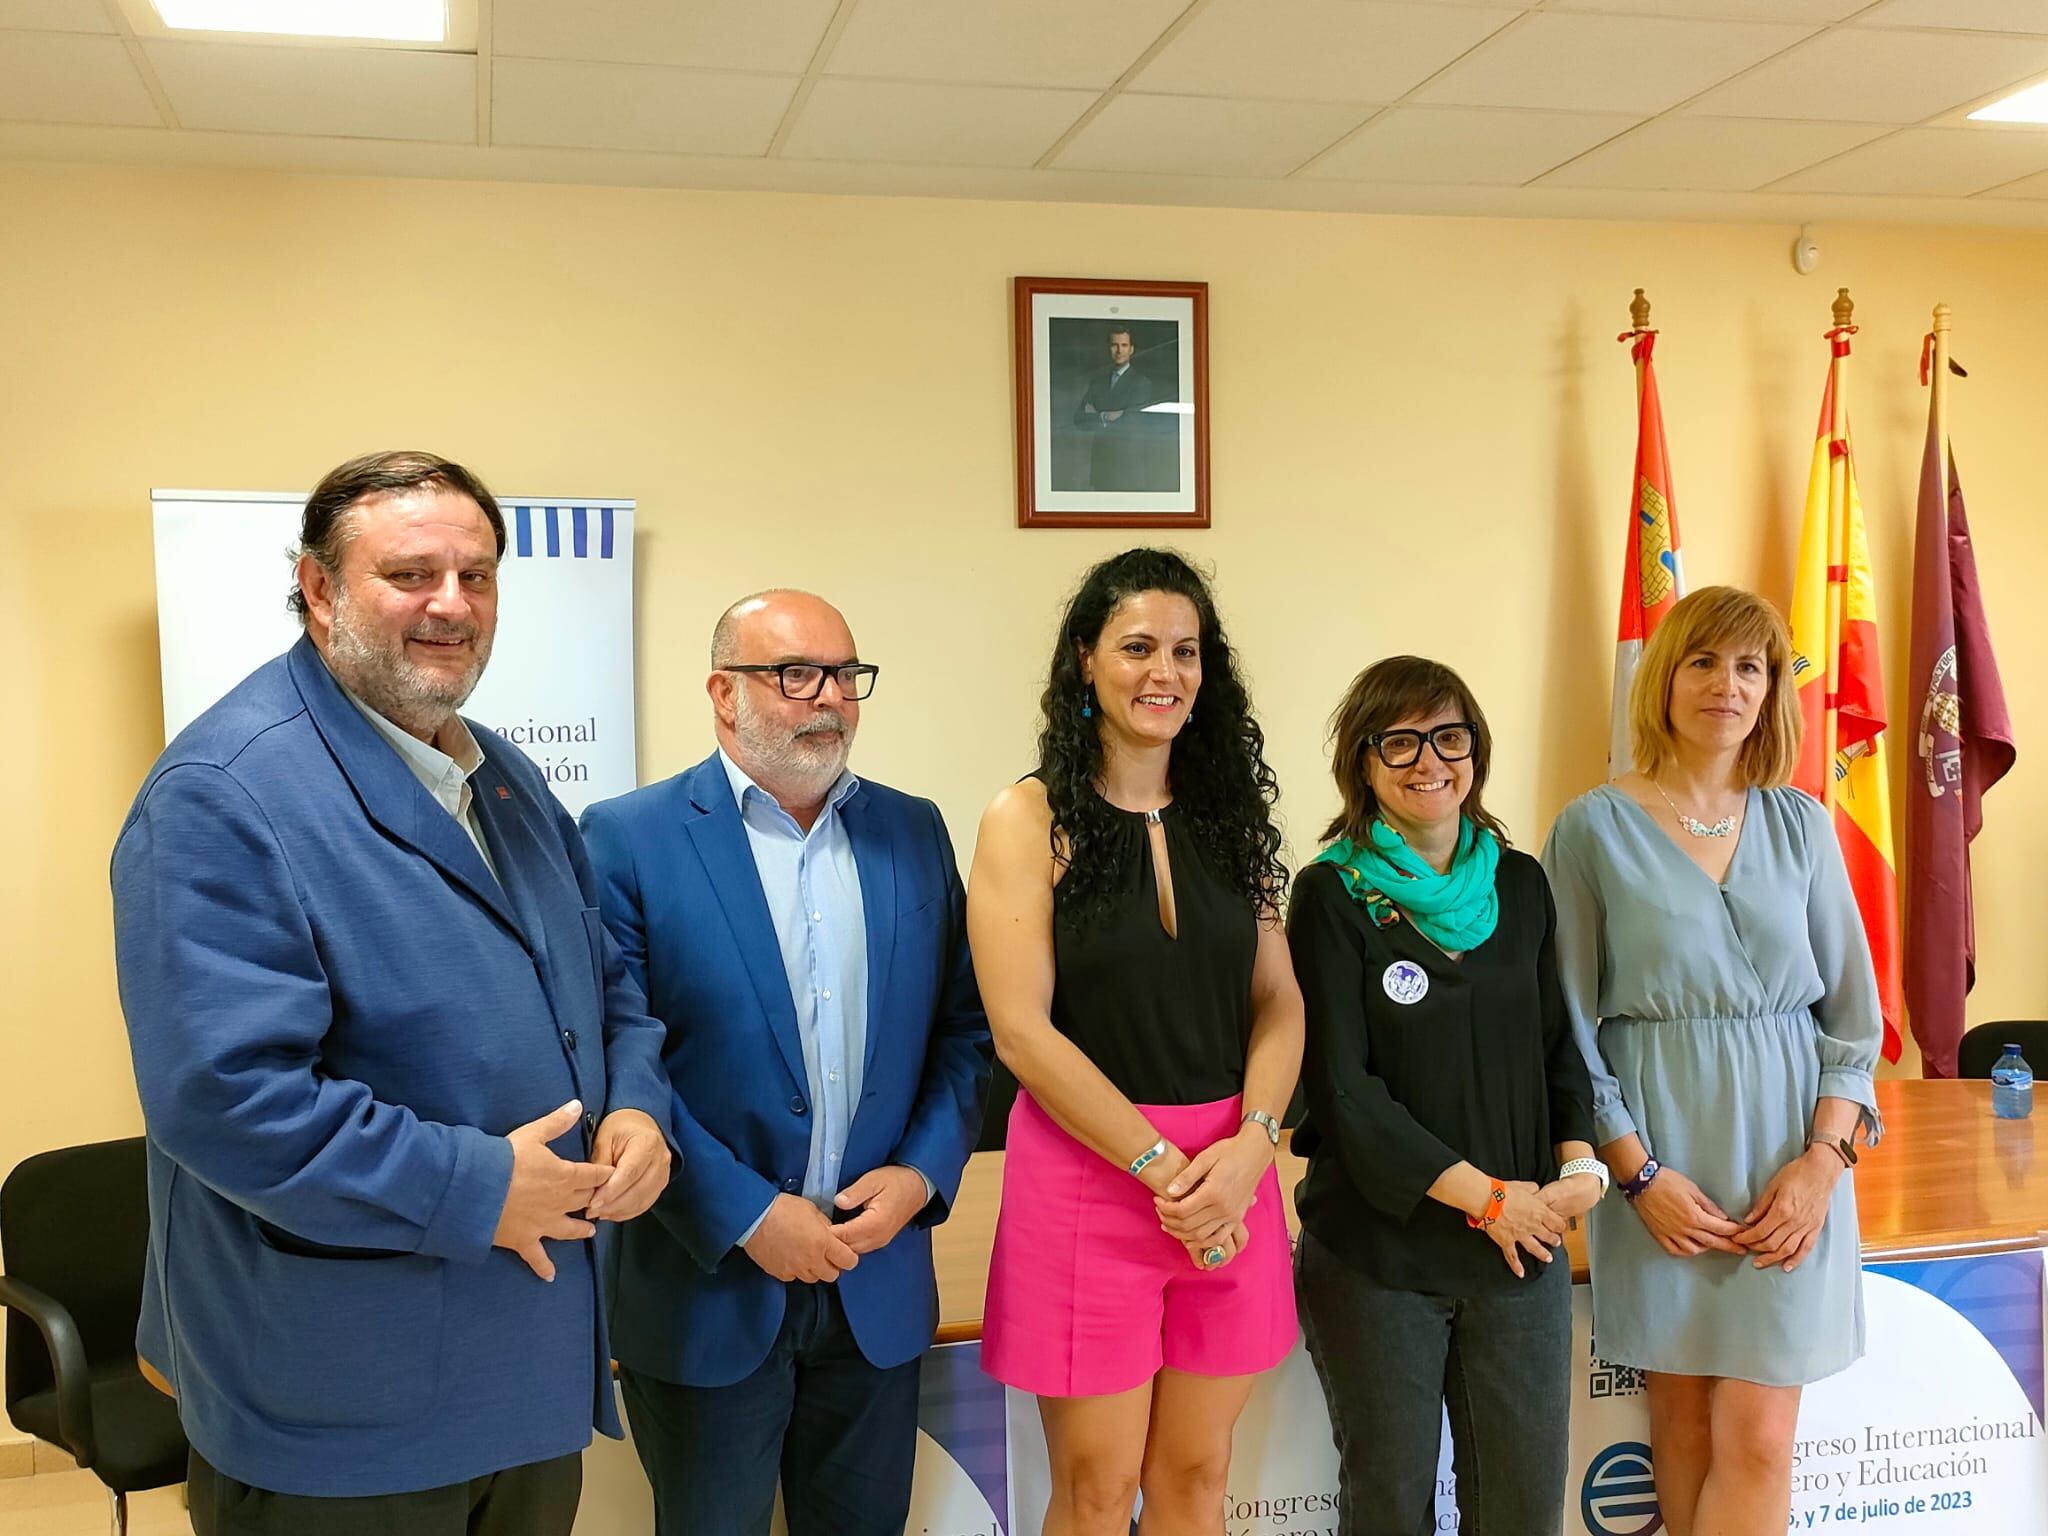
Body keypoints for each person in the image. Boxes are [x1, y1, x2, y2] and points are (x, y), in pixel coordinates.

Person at [111, 450, 674, 1535]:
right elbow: (228, 1102)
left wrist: (639, 1106)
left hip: (523, 1373)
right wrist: (474, 1186)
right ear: (319, 591)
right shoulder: (222, 795)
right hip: (343, 1408)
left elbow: (604, 984)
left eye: (477, 576)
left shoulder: (499, 776)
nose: (451, 606)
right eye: (410, 574)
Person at [578, 590, 990, 1536]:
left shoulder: (911, 829)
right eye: (797, 674)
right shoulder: (627, 837)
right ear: (724, 694)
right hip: (705, 1285)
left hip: (873, 1283)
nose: (831, 699)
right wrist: (749, 1213)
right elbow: (614, 1051)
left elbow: (964, 1032)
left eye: (847, 676)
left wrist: (921, 1175)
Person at [968, 548, 1302, 1536]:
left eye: (1185, 651)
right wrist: (1164, 1168)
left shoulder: (1231, 820)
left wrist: (1251, 1148)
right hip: (1088, 1180)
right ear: (1085, 661)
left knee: (1198, 1477)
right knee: (1095, 1492)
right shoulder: (1025, 818)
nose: (1164, 672)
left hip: (1231, 1181)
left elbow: (1278, 1003)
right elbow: (1020, 1033)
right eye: (1137, 647)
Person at [1542, 585, 1883, 1536]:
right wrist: (1635, 1172)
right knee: (1681, 1429)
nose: (1726, 686)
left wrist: (1824, 1167)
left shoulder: (1804, 824)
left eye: (1749, 667)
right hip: (1659, 1166)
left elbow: (1854, 1021)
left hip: (1790, 1164)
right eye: (1703, 662)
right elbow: (1566, 1025)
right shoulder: (1589, 829)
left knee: (1760, 1439)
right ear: (1664, 680)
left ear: (1772, 690)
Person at [1288, 657, 1599, 1536]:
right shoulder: (1331, 895)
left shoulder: (1521, 882)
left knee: (1524, 1509)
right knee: (1389, 1508)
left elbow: (1557, 1050)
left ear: (1476, 750)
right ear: (1364, 760)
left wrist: (1580, 1170)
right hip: (1380, 1259)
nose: (1430, 760)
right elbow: (1344, 1094)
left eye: (1449, 737)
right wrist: (1490, 1200)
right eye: (1401, 741)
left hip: (1519, 1256)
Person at [1072, 326, 1167, 491]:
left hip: (1128, 469)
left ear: (1131, 349)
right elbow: (1079, 419)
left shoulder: (1141, 383)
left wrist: (1097, 415)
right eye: (1114, 345)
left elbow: (1131, 423)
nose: (1119, 350)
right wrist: (1107, 416)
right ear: (1109, 348)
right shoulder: (1098, 383)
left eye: (1123, 345)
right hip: (1101, 468)